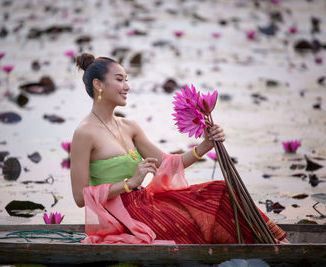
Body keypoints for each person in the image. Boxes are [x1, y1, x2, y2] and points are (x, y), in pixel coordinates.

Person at [70, 53, 288, 244]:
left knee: (220, 190)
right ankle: (271, 249)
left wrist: (204, 146)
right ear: (99, 85)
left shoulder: (129, 126)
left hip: (145, 203)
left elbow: (166, 163)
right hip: (120, 217)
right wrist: (131, 183)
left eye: (127, 80)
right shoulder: (85, 133)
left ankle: (276, 242)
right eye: (119, 80)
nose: (127, 86)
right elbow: (80, 198)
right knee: (195, 222)